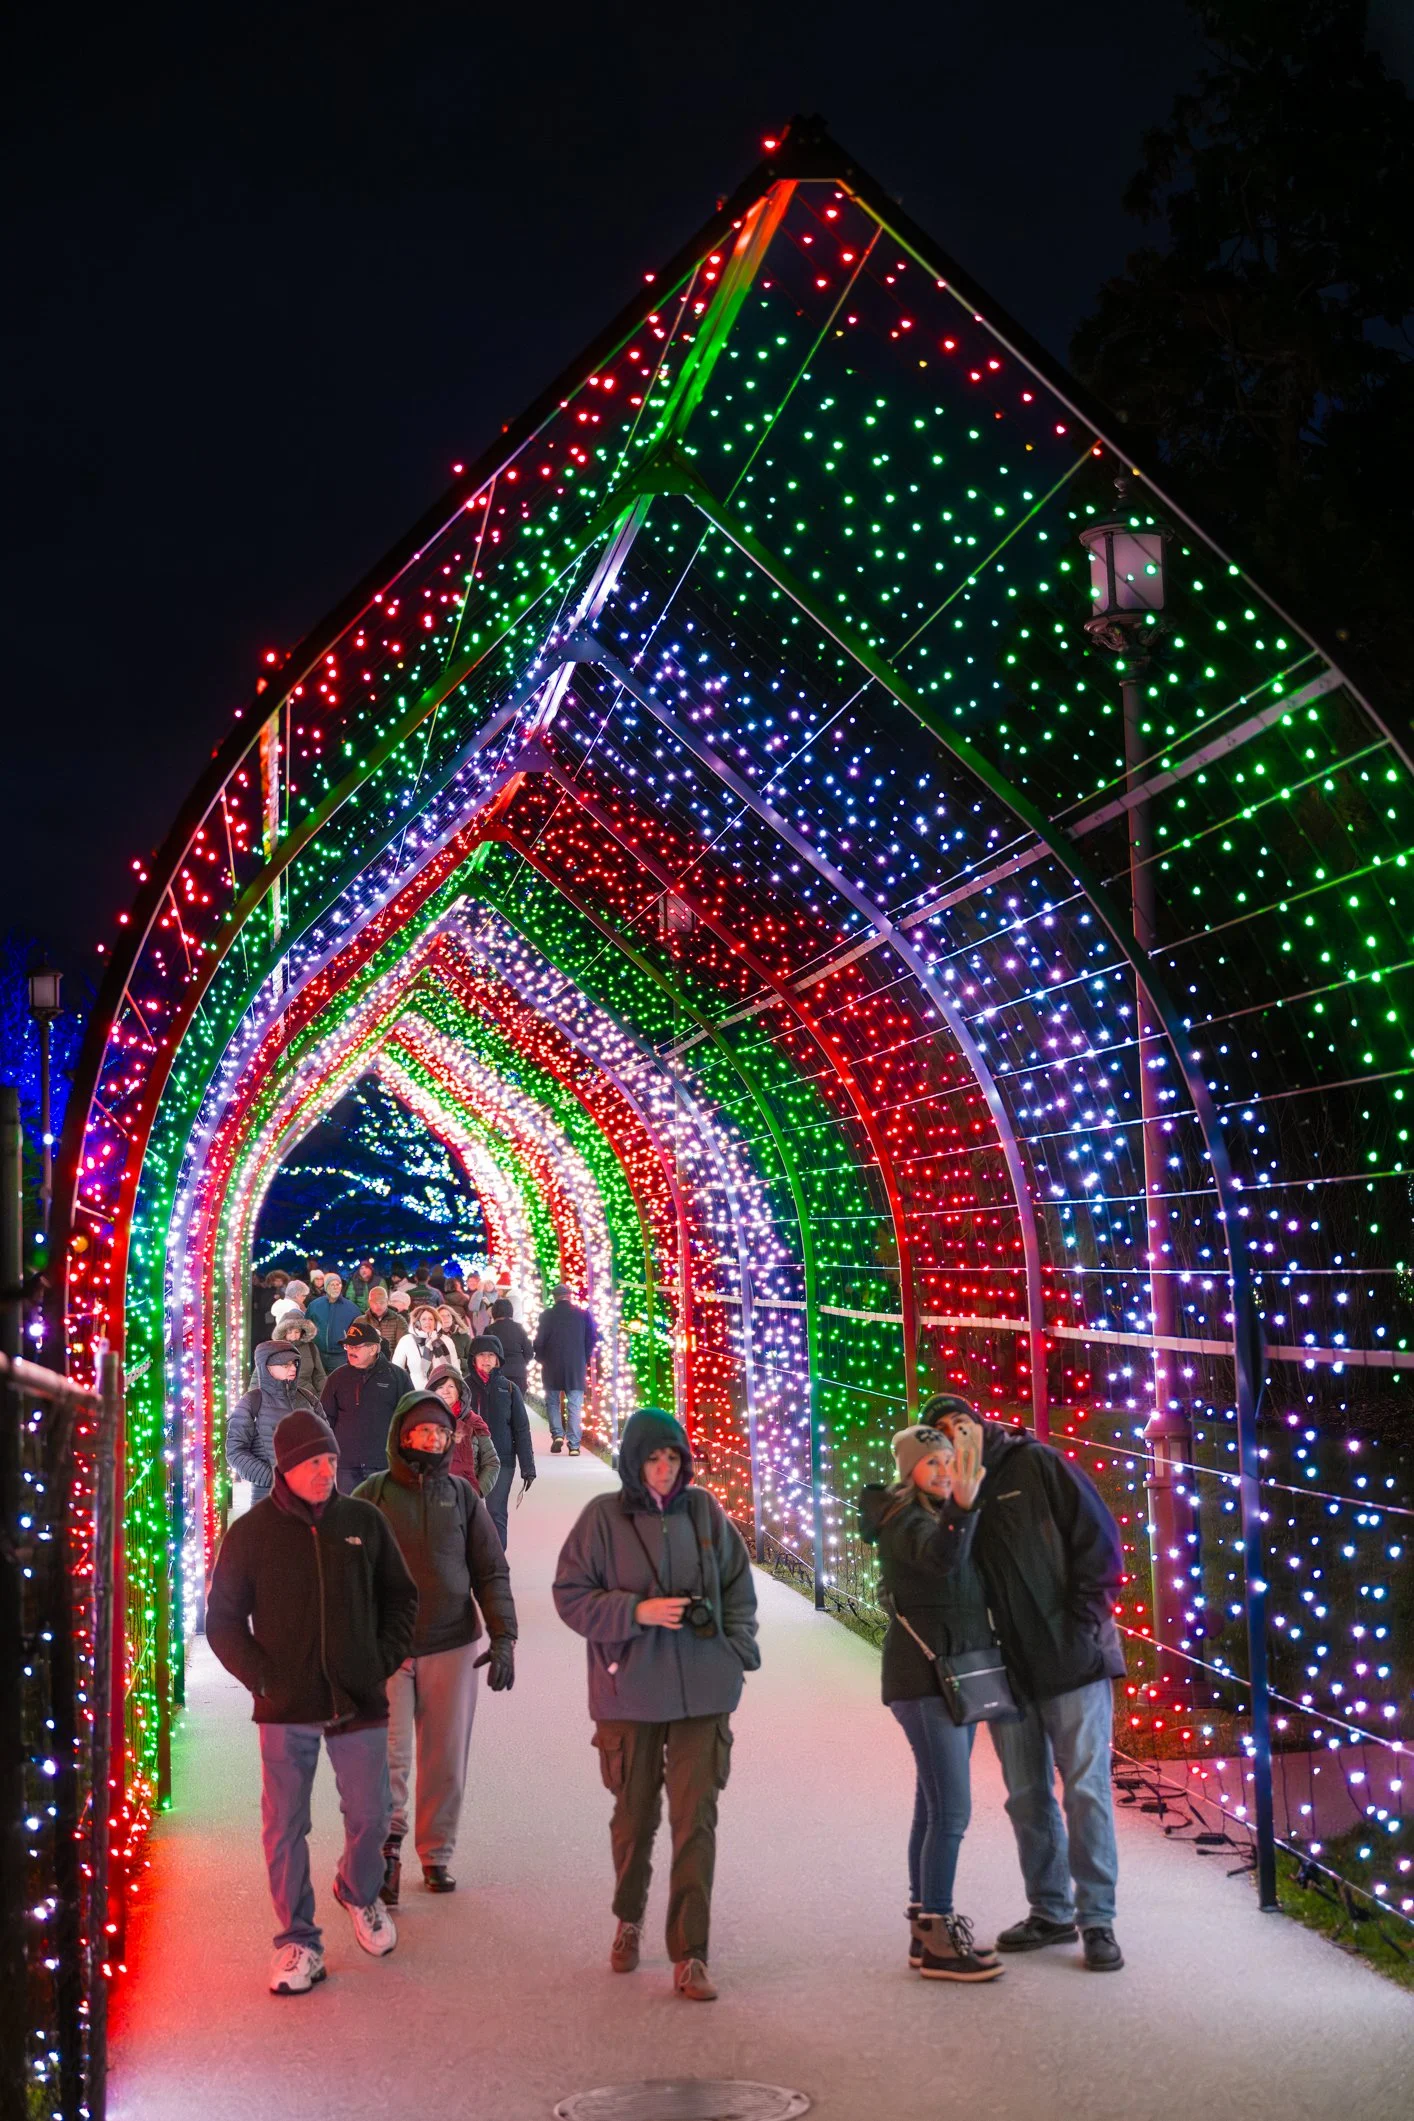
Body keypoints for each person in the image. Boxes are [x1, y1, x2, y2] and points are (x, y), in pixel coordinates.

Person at [205, 1406, 418, 1995]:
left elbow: (401, 1597)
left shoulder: (363, 1523)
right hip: (286, 1703)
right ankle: (298, 1941)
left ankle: (358, 1891)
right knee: (284, 1827)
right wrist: (261, 1678)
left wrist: (379, 1660)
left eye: (330, 1460)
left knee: (373, 1816)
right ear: (285, 1468)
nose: (327, 1471)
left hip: (357, 1696)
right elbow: (222, 1621)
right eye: (313, 1463)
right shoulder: (250, 1534)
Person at [553, 1407, 758, 2002]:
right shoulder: (602, 1519)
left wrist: (735, 1649)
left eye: (673, 1458)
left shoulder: (705, 1514)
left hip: (704, 1691)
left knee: (696, 1822)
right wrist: (634, 1612)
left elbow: (738, 1587)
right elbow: (570, 1595)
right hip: (628, 1690)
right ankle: (629, 1917)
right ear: (633, 1463)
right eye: (653, 1459)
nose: (665, 1470)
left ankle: (691, 1954)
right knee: (634, 1817)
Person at [933, 1395, 1127, 1973]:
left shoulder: (1034, 1465)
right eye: (942, 1434)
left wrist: (1084, 1622)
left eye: (960, 1425)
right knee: (1025, 1796)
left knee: (1085, 1790)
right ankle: (1050, 1910)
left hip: (1071, 1658)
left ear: (978, 1423)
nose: (955, 1439)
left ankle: (1098, 1920)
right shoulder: (946, 1491)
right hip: (1004, 1671)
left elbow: (1099, 1541)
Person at [354, 1392, 517, 1902]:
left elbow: (490, 1569)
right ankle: (387, 1851)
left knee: (445, 1756)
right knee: (390, 1755)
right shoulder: (371, 1495)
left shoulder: (463, 1496)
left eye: (441, 1433)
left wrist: (504, 1635)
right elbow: (341, 1574)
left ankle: (437, 1853)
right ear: (402, 1436)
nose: (433, 1439)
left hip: (451, 1643)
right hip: (387, 1649)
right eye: (423, 1431)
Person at [858, 1422, 1003, 1982]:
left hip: (955, 1674)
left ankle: (925, 1923)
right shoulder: (903, 1519)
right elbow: (941, 1558)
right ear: (909, 1471)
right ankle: (939, 1936)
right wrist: (962, 1512)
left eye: (948, 1462)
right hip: (925, 1679)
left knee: (933, 1800)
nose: (944, 1472)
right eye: (932, 1464)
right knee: (953, 1811)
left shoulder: (935, 1513)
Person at [320, 1317, 412, 1493]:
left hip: (384, 1464)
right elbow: (325, 1419)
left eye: (356, 1347)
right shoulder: (337, 1378)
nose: (350, 1351)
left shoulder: (397, 1377)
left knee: (381, 1517)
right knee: (350, 1516)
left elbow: (410, 1418)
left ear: (373, 1348)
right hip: (346, 1465)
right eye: (348, 1346)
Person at [227, 1341, 322, 1502]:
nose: (292, 1368)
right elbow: (235, 1451)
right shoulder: (252, 1401)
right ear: (267, 1367)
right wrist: (272, 1478)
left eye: (294, 1363)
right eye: (285, 1365)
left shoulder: (307, 1398)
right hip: (268, 1498)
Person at [464, 1335, 534, 1548]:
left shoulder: (509, 1389)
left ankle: (496, 1568)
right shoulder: (463, 1387)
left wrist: (527, 1467)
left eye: (491, 1355)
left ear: (498, 1359)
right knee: (468, 1513)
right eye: (481, 1355)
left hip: (502, 1460)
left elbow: (521, 1429)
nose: (486, 1360)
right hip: (468, 1459)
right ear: (473, 1359)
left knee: (496, 1513)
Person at [535, 1283, 599, 1456]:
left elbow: (539, 1341)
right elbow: (592, 1338)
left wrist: (541, 1358)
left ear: (554, 1297)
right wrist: (583, 1357)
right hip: (575, 1365)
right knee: (575, 1405)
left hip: (551, 1365)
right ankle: (574, 1444)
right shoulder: (583, 1314)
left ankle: (557, 1434)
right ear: (570, 1296)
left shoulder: (547, 1315)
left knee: (553, 1402)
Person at [428, 1360, 501, 1498]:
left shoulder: (473, 1423)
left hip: (466, 1502)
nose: (445, 1391)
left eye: (451, 1386)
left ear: (460, 1391)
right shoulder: (420, 1422)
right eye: (440, 1386)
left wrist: (477, 1492)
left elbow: (492, 1462)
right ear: (432, 1391)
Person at [393, 1301, 457, 1391]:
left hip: (442, 1392)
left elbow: (455, 1368)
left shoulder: (446, 1340)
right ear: (417, 1322)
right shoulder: (406, 1340)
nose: (428, 1322)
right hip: (416, 1393)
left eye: (431, 1319)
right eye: (424, 1319)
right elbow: (396, 1370)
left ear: (436, 1322)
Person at [264, 1313, 327, 1400]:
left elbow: (319, 1376)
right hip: (280, 1400)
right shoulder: (273, 1349)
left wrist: (322, 1399)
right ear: (283, 1332)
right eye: (289, 1332)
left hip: (307, 1399)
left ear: (302, 1332)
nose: (293, 1336)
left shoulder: (311, 1348)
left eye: (296, 1332)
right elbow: (259, 1377)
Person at [309, 1272, 359, 1370]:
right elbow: (306, 1326)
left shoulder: (352, 1308)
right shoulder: (315, 1305)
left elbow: (358, 1332)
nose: (335, 1287)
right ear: (326, 1287)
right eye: (332, 1284)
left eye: (338, 1284)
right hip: (318, 1354)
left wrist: (349, 1342)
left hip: (341, 1356)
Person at [489, 1298, 533, 1396]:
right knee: (517, 1406)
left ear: (494, 1312)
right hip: (519, 1373)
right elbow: (529, 1352)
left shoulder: (489, 1330)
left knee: (501, 1407)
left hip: (498, 1372)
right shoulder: (519, 1328)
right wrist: (520, 1362)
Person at [437, 1302, 474, 1375]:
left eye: (448, 1315)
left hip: (461, 1376)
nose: (445, 1318)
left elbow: (473, 1361)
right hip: (441, 1377)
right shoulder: (433, 1338)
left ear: (453, 1318)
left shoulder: (464, 1336)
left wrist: (460, 1362)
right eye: (442, 1316)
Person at [366, 1282, 401, 1353]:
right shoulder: (361, 1321)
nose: (378, 1306)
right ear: (369, 1302)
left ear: (387, 1301)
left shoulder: (398, 1320)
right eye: (374, 1302)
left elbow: (403, 1347)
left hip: (391, 1361)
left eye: (381, 1302)